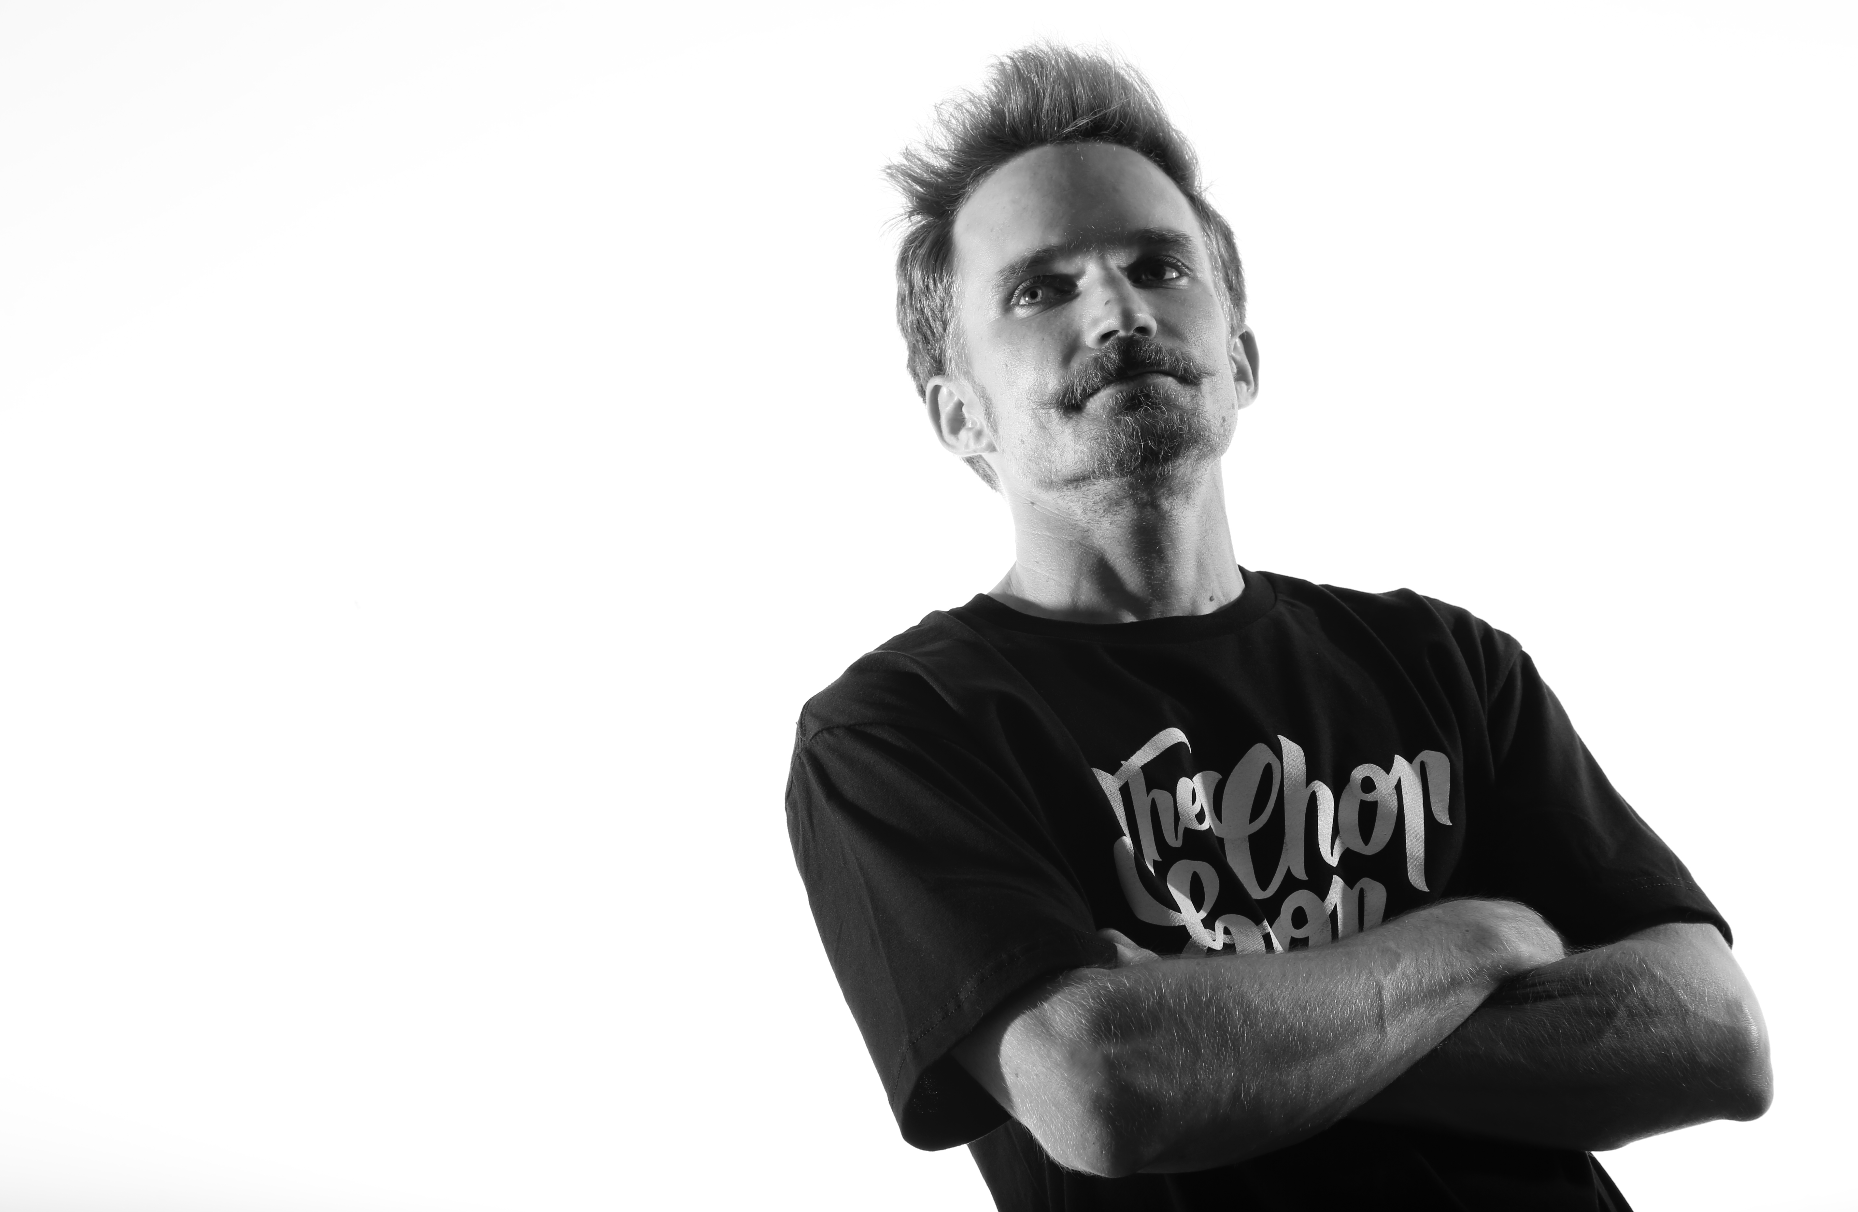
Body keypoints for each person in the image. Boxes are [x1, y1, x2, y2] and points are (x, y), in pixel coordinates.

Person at [784, 45, 1771, 1211]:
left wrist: (1220, 1048)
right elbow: (1105, 1084)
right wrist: (1471, 945)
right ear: (959, 414)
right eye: (1038, 290)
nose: (1119, 310)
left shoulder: (1445, 663)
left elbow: (1713, 1036)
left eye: (1159, 267)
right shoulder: (898, 731)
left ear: (1240, 358)